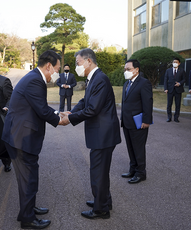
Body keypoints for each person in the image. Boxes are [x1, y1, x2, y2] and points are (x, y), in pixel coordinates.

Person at [2, 50, 66, 229]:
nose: (57, 73)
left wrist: (56, 113)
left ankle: (28, 209)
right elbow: (42, 110)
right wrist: (60, 120)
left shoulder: (33, 78)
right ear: (48, 66)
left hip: (19, 136)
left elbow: (40, 106)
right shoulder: (35, 81)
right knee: (28, 179)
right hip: (21, 138)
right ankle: (27, 219)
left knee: (29, 178)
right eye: (57, 69)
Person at [60, 48, 121, 220]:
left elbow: (93, 109)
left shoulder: (100, 79)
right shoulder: (94, 78)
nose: (76, 66)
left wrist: (69, 120)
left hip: (103, 134)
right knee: (101, 171)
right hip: (102, 133)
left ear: (88, 61)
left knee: (98, 172)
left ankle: (101, 209)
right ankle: (104, 201)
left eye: (78, 63)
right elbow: (85, 101)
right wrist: (71, 113)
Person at [120, 60, 153, 184]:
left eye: (128, 69)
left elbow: (148, 102)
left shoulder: (144, 83)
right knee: (130, 148)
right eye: (125, 69)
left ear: (136, 69)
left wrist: (146, 120)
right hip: (127, 122)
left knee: (138, 148)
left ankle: (141, 173)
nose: (126, 72)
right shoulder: (126, 84)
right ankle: (132, 170)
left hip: (139, 123)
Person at [164, 57, 186, 122]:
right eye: (174, 62)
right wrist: (165, 89)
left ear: (179, 63)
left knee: (177, 104)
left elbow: (184, 79)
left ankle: (176, 117)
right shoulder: (168, 70)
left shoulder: (182, 70)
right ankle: (169, 117)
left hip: (178, 90)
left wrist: (179, 83)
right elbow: (165, 80)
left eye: (176, 62)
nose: (175, 63)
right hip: (170, 89)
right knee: (169, 104)